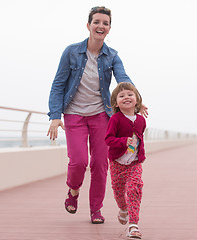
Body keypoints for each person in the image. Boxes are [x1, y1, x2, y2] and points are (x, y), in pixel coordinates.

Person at [47, 6, 148, 224]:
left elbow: (123, 79)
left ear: (109, 28)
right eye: (97, 22)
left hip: (102, 116)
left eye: (105, 23)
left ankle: (96, 210)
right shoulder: (71, 52)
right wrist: (55, 115)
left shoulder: (112, 56)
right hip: (74, 114)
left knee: (100, 164)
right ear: (88, 25)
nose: (100, 26)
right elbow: (58, 84)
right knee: (79, 161)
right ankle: (73, 191)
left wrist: (136, 99)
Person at [105, 82, 146, 239]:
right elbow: (108, 139)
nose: (126, 97)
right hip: (117, 164)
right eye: (121, 96)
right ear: (116, 103)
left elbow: (140, 138)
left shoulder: (141, 120)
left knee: (134, 188)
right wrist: (123, 141)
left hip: (135, 163)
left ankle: (133, 225)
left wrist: (139, 154)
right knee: (118, 192)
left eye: (130, 94)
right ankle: (123, 209)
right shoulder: (115, 119)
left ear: (137, 100)